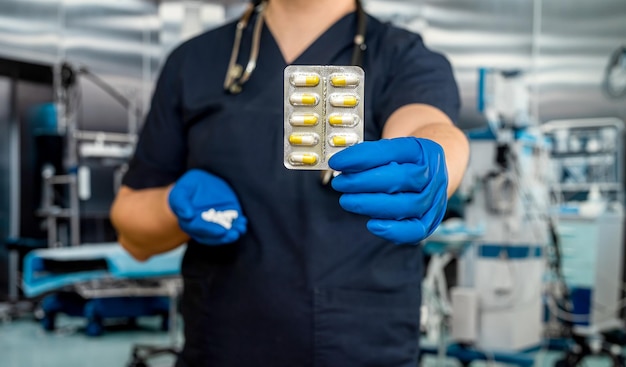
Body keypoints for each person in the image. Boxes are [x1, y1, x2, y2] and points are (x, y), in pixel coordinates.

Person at [110, 0, 469, 365]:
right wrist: (173, 203)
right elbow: (132, 230)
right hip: (221, 344)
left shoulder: (403, 57)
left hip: (364, 347)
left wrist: (435, 158)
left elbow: (427, 124)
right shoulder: (193, 62)